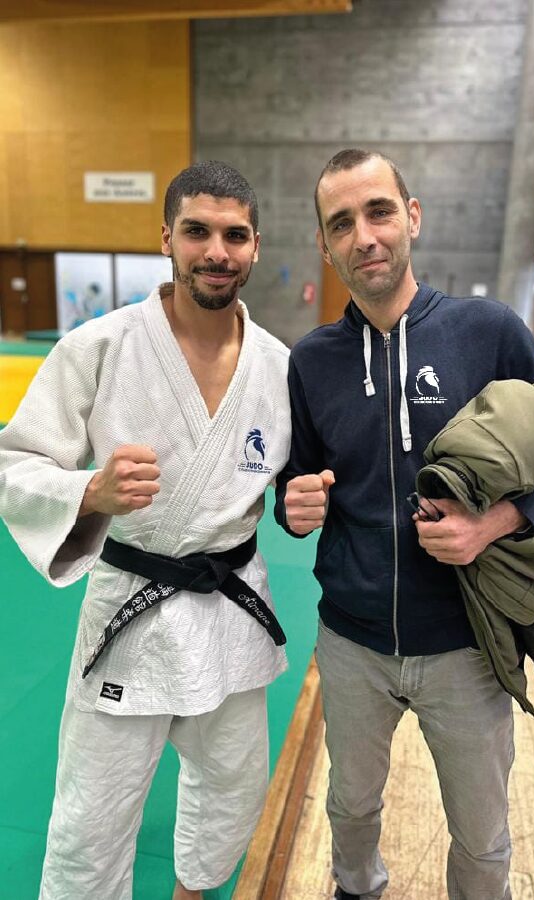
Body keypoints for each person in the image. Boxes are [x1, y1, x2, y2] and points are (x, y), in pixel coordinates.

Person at [275, 149, 534, 900]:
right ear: (326, 248)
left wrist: (499, 521)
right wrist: (293, 508)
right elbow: (300, 484)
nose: (365, 236)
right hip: (352, 647)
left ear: (411, 217)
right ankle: (357, 889)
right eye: (342, 224)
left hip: (466, 648)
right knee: (350, 808)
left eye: (379, 211)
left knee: (483, 840)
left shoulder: (488, 332)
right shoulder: (313, 361)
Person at [0, 161, 292, 900]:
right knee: (90, 817)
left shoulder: (280, 367)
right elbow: (16, 459)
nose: (216, 251)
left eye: (234, 235)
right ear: (166, 237)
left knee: (233, 786)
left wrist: (301, 500)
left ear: (256, 246)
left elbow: (299, 482)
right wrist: (89, 491)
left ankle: (193, 890)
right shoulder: (99, 346)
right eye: (197, 231)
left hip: (232, 606)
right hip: (131, 604)